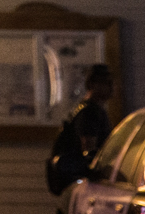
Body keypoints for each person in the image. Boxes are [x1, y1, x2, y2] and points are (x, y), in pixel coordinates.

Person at [46, 63, 115, 195]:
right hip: (84, 185)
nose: (112, 87)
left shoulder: (86, 108)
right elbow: (89, 153)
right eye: (106, 82)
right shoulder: (90, 112)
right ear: (92, 85)